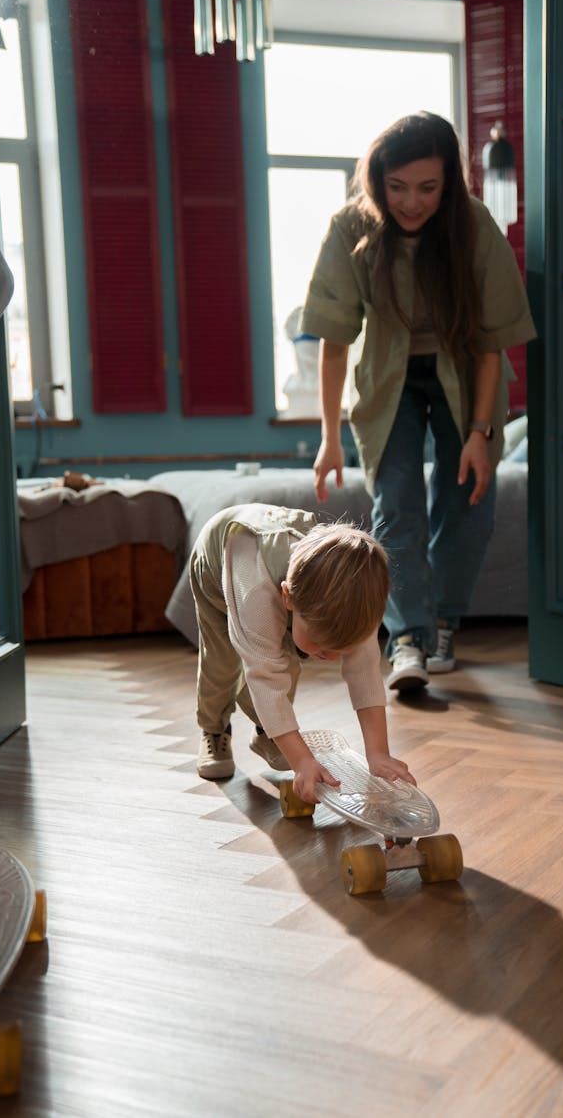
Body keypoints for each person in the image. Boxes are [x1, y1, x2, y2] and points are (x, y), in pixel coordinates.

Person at [302, 112, 536, 692]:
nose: (411, 202)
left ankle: (443, 621)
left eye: (428, 188)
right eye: (397, 187)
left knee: (469, 499)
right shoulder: (349, 228)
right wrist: (330, 438)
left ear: (449, 183)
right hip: (389, 377)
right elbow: (335, 342)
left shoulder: (474, 226)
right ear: (376, 180)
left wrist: (481, 431)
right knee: (396, 497)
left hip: (465, 369)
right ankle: (408, 638)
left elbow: (489, 344)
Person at [189, 502, 415, 803]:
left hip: (282, 584)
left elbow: (365, 671)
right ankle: (213, 730)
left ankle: (267, 732)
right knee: (223, 663)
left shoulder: (360, 601)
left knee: (288, 660)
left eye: (342, 648)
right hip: (216, 570)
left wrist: (378, 753)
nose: (330, 657)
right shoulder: (257, 594)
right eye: (321, 645)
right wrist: (301, 762)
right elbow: (265, 678)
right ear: (288, 597)